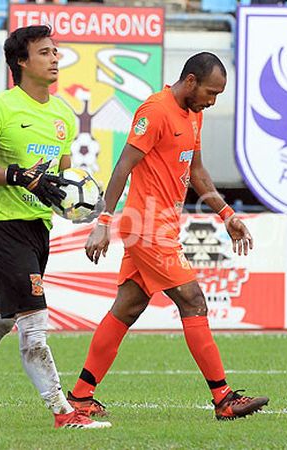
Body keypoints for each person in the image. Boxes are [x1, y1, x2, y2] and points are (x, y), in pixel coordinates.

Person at [67, 52, 270, 421]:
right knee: (193, 301)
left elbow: (196, 171)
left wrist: (226, 214)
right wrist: (103, 221)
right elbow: (123, 165)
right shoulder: (155, 110)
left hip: (162, 226)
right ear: (190, 81)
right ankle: (224, 399)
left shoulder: (195, 114)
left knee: (127, 308)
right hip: (146, 229)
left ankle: (81, 396)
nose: (213, 101)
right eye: (211, 92)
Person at [0, 25, 110, 430]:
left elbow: (60, 181)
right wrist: (15, 175)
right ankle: (64, 413)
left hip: (38, 231)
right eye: (45, 52)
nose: (55, 58)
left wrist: (74, 200)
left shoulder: (63, 115)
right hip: (4, 229)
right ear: (22, 62)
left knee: (0, 319)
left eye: (56, 51)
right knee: (34, 326)